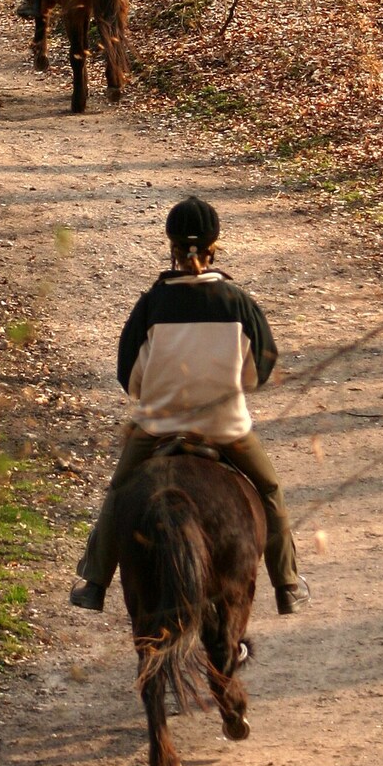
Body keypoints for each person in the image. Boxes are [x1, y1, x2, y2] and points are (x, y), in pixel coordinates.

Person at [70, 197, 310, 615]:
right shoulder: (240, 303)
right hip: (226, 429)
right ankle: (287, 583)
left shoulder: (151, 305)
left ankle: (94, 580)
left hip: (158, 429)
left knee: (119, 490)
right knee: (269, 490)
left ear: (172, 248)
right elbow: (259, 373)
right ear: (215, 246)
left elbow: (130, 377)